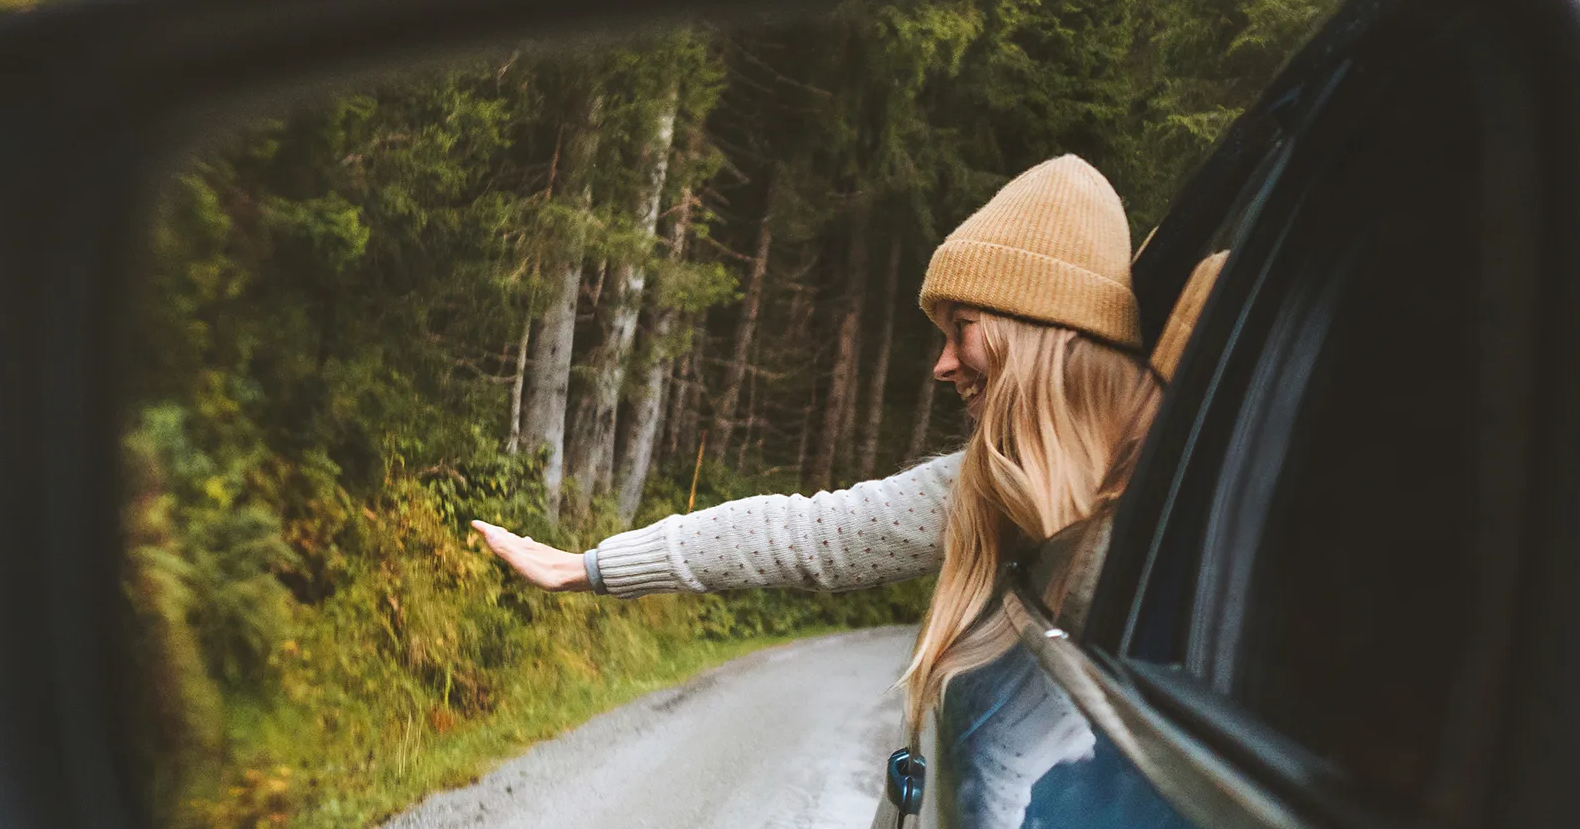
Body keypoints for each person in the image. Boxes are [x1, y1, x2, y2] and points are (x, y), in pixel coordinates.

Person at [475, 153, 1170, 725]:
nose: (943, 365)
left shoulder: (1173, 494)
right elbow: (809, 535)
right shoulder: (991, 482)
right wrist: (591, 567)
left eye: (962, 326)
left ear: (1038, 328)